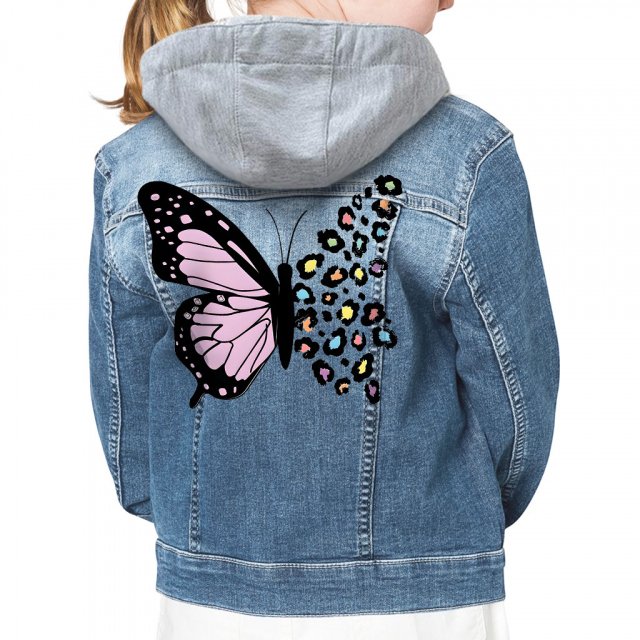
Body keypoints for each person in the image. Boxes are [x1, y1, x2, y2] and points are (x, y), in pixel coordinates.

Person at [89, 1, 560, 638]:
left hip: (211, 605)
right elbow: (517, 417)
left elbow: (131, 439)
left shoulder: (136, 165)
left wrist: (204, 531)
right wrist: (447, 519)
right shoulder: (467, 156)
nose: (451, 0)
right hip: (426, 603)